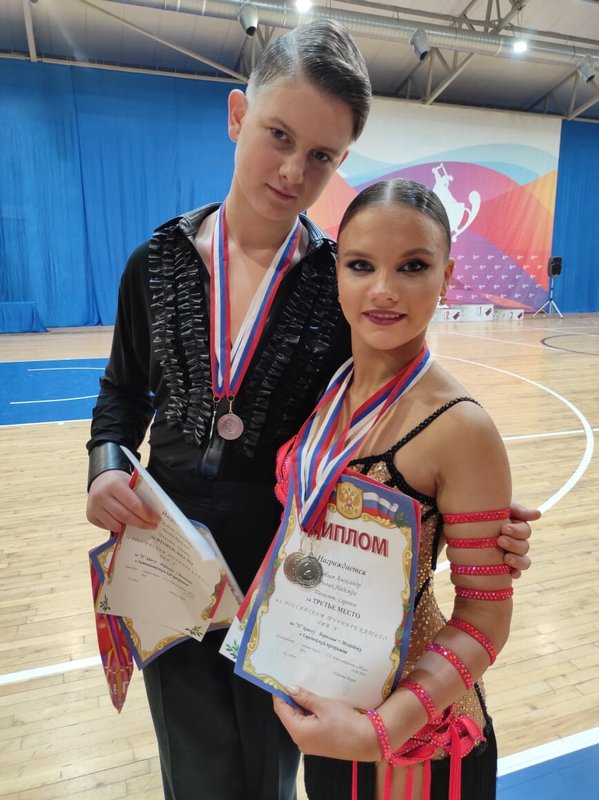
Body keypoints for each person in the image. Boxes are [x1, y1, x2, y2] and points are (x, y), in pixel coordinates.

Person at [85, 21, 535, 800]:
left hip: (294, 582)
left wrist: (473, 523)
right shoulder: (152, 263)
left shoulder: (340, 282)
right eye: (278, 135)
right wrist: (102, 468)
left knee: (272, 773)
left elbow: (382, 419)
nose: (294, 170)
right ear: (237, 115)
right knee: (190, 774)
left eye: (322, 154)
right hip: (168, 562)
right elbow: (121, 394)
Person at [272, 178, 527, 800]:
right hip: (328, 707)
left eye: (412, 266)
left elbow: (485, 618)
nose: (383, 289)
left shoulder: (461, 427)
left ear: (447, 277)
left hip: (416, 739)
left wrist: (379, 732)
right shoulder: (330, 390)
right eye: (361, 265)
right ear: (337, 274)